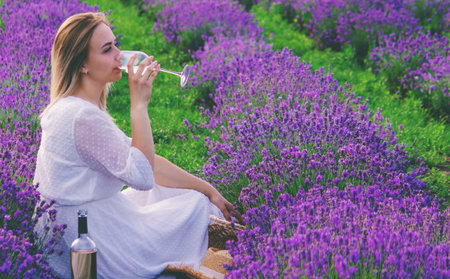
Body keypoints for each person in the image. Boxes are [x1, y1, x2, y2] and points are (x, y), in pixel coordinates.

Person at [33, 12, 241, 279]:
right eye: (107, 49)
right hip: (87, 239)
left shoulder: (72, 108)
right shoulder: (81, 116)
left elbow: (147, 165)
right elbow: (142, 176)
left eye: (116, 45)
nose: (120, 56)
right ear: (82, 64)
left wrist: (207, 188)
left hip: (73, 224)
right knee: (193, 207)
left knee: (187, 195)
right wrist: (139, 105)